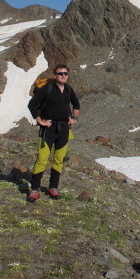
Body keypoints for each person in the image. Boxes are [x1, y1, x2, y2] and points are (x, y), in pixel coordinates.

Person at [26, 64, 80, 201]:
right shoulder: (47, 89)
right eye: (60, 73)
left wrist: (74, 118)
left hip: (64, 129)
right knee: (42, 158)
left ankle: (53, 187)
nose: (63, 76)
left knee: (59, 159)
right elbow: (32, 104)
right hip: (48, 129)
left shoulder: (68, 89)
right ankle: (34, 189)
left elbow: (76, 104)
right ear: (55, 75)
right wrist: (40, 121)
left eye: (66, 73)